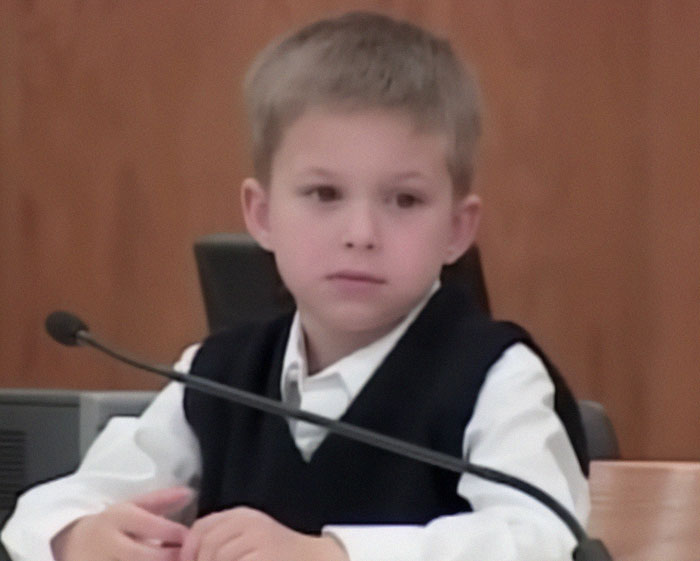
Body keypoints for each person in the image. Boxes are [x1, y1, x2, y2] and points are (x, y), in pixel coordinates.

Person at [1, 11, 590, 561]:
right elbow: (59, 504)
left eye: (405, 200)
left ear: (458, 230)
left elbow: (543, 535)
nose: (361, 234)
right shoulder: (217, 373)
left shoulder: (496, 375)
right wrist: (76, 535)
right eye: (324, 195)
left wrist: (332, 554)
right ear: (260, 215)